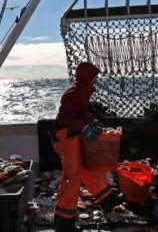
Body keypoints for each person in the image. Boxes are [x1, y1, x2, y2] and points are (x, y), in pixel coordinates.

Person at [52, 62, 115, 231]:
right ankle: (63, 220)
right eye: (93, 76)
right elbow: (66, 119)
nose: (95, 79)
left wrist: (92, 121)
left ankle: (107, 200)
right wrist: (85, 128)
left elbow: (81, 112)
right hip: (65, 135)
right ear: (86, 77)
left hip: (74, 133)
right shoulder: (71, 94)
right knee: (72, 175)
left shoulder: (83, 89)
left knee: (89, 166)